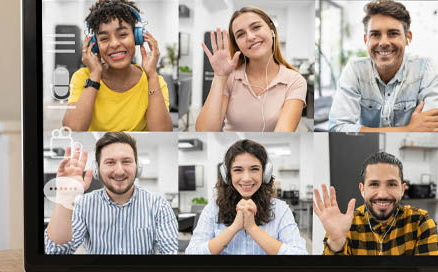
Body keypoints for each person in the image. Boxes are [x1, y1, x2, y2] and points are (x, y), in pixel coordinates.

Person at [45, 132, 178, 254]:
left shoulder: (158, 205)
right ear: (97, 169)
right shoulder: (83, 205)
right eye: (110, 162)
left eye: (126, 161)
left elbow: (172, 255)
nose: (119, 171)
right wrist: (65, 197)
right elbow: (56, 253)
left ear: (138, 167)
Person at [328, 0, 438, 132]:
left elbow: (436, 128)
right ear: (366, 40)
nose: (384, 42)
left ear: (407, 38)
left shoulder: (427, 69)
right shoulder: (355, 70)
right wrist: (409, 129)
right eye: (375, 34)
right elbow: (337, 127)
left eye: (393, 33)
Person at [63, 0, 172, 132]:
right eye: (104, 38)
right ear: (95, 45)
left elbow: (160, 134)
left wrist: (152, 76)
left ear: (137, 37)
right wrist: (95, 76)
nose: (114, 44)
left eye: (122, 35)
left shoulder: (155, 82)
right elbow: (73, 130)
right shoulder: (83, 77)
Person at [195, 7, 307, 132]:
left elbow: (284, 130)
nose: (250, 37)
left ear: (271, 30)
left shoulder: (295, 81)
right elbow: (204, 131)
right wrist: (220, 77)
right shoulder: (229, 77)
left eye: (256, 27)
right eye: (241, 34)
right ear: (237, 44)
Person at [185, 140, 307, 255]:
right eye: (238, 170)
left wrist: (252, 228)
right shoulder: (213, 209)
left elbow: (300, 255)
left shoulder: (280, 210)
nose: (247, 178)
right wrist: (234, 228)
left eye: (254, 169)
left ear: (265, 174)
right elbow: (191, 253)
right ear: (227, 175)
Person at [314, 152, 438, 255]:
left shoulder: (420, 221)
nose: (382, 194)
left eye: (392, 184)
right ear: (362, 189)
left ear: (402, 189)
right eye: (374, 184)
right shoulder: (344, 226)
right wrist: (336, 242)